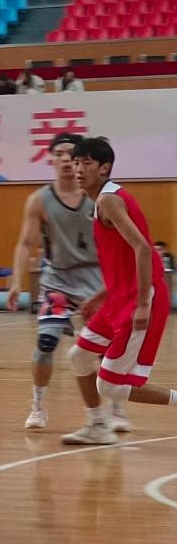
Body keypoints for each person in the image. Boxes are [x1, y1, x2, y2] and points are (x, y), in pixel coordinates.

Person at [6, 132, 128, 432]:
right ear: (50, 159)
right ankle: (37, 405)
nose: (65, 160)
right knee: (46, 342)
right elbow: (26, 243)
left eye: (71, 155)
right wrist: (16, 281)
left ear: (82, 162)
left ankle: (116, 408)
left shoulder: (100, 196)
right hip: (58, 280)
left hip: (97, 280)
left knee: (106, 348)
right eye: (58, 154)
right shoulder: (39, 200)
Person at [61, 135, 173, 446]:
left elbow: (142, 248)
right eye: (76, 162)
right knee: (79, 357)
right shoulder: (104, 199)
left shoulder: (108, 200)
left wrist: (142, 304)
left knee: (110, 385)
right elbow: (122, 260)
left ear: (104, 168)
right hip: (118, 298)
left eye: (86, 163)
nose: (78, 169)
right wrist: (100, 296)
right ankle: (97, 425)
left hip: (140, 297)